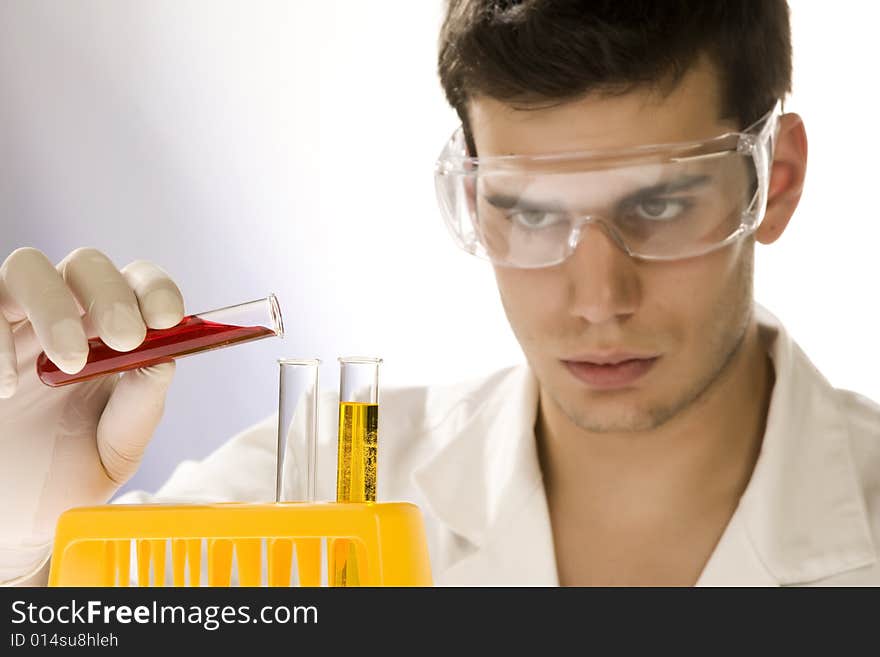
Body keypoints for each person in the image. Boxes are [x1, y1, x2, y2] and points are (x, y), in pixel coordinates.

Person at [2, 0, 878, 587]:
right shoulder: (320, 492)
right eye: (531, 215)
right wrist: (22, 548)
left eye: (658, 204)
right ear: (471, 198)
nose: (598, 296)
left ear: (779, 179)